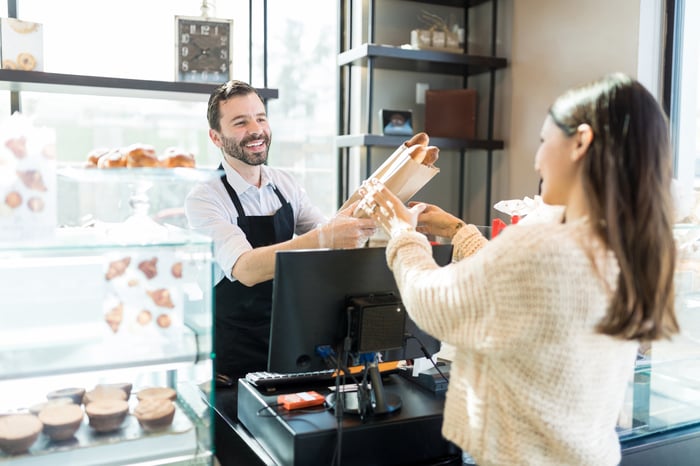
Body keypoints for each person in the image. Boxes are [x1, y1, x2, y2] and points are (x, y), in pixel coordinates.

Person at [357, 73, 679, 466]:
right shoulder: (623, 246)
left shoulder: (546, 246)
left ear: (581, 141)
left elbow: (432, 304)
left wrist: (401, 231)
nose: (537, 159)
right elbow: (515, 290)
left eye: (544, 142)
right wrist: (459, 231)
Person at [184, 80, 376, 394]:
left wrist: (370, 220)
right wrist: (325, 237)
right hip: (236, 357)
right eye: (240, 122)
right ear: (215, 137)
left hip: (291, 341)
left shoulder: (284, 184)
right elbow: (245, 269)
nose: (256, 129)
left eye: (260, 118)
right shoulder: (205, 198)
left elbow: (328, 241)